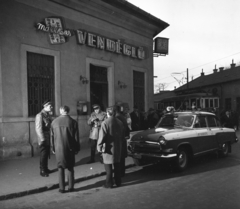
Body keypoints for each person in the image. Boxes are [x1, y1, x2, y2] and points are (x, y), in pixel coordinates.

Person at [51, 106, 80, 193]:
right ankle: (71, 187)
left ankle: (62, 188)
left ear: (61, 111)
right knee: (70, 167)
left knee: (60, 168)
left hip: (59, 148)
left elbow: (52, 137)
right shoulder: (73, 122)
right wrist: (77, 148)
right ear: (68, 111)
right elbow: (76, 138)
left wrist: (53, 148)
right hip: (70, 147)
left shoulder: (54, 122)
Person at [97, 106, 124, 188]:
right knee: (117, 166)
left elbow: (102, 137)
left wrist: (99, 147)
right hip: (118, 146)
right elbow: (122, 135)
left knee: (108, 167)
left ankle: (109, 183)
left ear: (107, 113)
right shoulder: (120, 122)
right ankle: (118, 182)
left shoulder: (105, 123)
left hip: (108, 147)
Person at [35, 100, 53, 177]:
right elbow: (38, 128)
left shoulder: (47, 115)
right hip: (43, 138)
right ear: (45, 106)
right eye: (50, 106)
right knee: (43, 154)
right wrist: (42, 139)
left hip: (48, 137)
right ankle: (42, 170)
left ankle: (45, 168)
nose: (51, 107)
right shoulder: (40, 115)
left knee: (46, 154)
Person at [115, 105, 130, 177]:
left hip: (119, 140)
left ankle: (119, 173)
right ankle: (122, 172)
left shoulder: (117, 118)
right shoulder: (123, 117)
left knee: (118, 157)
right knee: (122, 157)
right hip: (123, 139)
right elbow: (127, 129)